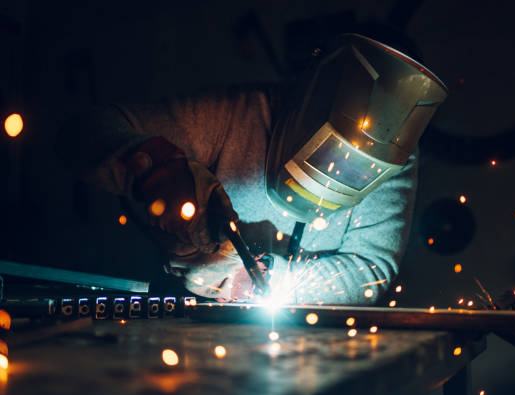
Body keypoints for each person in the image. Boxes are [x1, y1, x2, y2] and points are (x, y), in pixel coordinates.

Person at [57, 32, 447, 305]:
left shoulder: (396, 154)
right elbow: (84, 129)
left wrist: (270, 282)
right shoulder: (236, 114)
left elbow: (373, 268)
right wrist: (156, 164)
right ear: (311, 101)